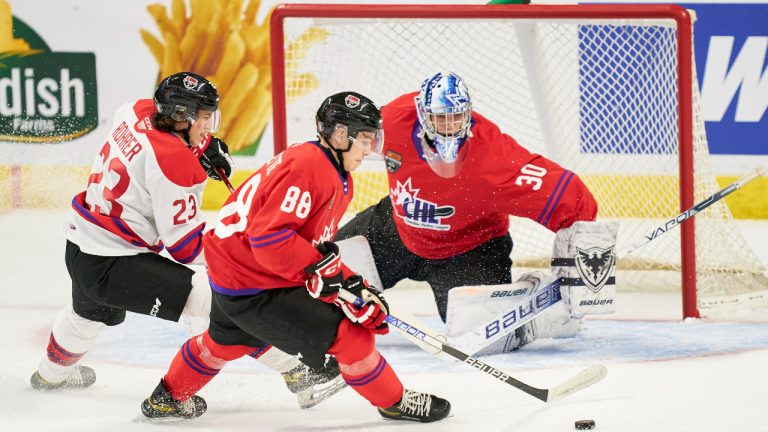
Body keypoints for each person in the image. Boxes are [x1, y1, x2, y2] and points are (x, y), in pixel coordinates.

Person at [30, 72, 345, 409]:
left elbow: (152, 148)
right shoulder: (175, 163)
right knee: (224, 302)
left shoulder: (135, 110)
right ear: (181, 116)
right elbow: (186, 248)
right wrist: (244, 249)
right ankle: (299, 374)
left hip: (81, 245)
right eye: (205, 119)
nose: (209, 127)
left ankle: (49, 376)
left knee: (85, 317)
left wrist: (201, 147)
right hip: (115, 262)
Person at [140, 91, 451, 423]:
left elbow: (296, 242)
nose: (369, 149)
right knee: (353, 338)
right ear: (341, 135)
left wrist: (346, 281)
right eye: (364, 139)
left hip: (235, 274)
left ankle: (166, 399)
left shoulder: (323, 164)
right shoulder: (311, 168)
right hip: (253, 283)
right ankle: (394, 401)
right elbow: (270, 238)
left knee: (225, 342)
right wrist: (328, 279)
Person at [335, 71, 618, 353]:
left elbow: (573, 198)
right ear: (422, 113)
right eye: (439, 118)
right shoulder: (395, 119)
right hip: (396, 229)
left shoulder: (494, 156)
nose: (448, 126)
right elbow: (346, 141)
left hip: (470, 249)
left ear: (468, 114)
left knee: (484, 338)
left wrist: (589, 259)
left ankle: (542, 310)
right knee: (326, 269)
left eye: (456, 117)